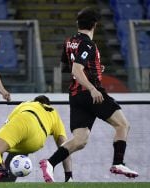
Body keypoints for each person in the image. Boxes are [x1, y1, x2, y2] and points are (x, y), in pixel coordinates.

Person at [39, 7, 138, 183]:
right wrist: (93, 87)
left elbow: (66, 66)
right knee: (123, 125)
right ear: (95, 25)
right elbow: (77, 69)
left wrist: (94, 69)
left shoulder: (69, 41)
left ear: (78, 23)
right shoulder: (87, 44)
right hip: (90, 93)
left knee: (80, 140)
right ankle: (118, 163)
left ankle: (50, 162)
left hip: (76, 96)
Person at [0, 95, 73, 182]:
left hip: (25, 119)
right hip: (36, 142)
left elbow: (6, 126)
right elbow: (64, 148)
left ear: (36, 101)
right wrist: (69, 175)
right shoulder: (54, 113)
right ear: (47, 104)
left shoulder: (27, 104)